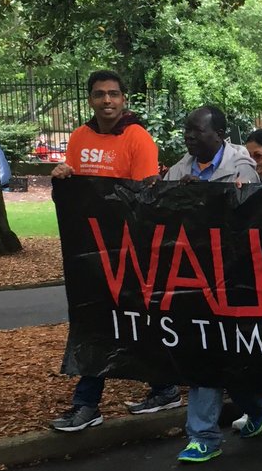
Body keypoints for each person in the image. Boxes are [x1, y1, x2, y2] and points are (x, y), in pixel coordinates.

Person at [49, 70, 180, 432]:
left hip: (126, 249)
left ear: (123, 99)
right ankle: (163, 387)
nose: (107, 101)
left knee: (117, 319)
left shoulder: (138, 138)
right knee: (103, 320)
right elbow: (75, 189)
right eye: (99, 95)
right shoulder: (80, 137)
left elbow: (144, 198)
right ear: (90, 99)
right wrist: (62, 176)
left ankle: (88, 403)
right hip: (90, 249)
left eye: (113, 94)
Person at [164, 106, 262, 462]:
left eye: (197, 131)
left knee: (226, 353)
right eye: (187, 130)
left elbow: (246, 218)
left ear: (219, 134)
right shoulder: (180, 168)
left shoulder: (240, 166)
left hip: (232, 275)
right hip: (193, 274)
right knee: (206, 351)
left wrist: (205, 195)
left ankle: (255, 405)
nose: (189, 137)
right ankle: (205, 436)